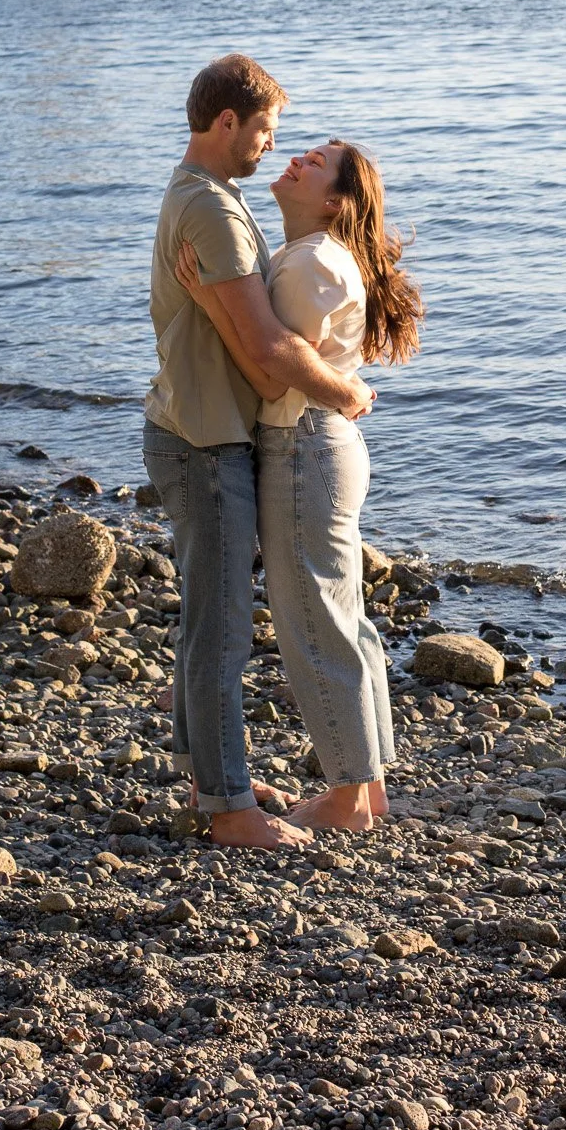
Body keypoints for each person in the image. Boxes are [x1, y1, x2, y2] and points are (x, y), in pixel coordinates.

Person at [142, 56, 375, 851]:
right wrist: (344, 393)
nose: (273, 146)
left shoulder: (212, 199)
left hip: (198, 430)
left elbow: (261, 340)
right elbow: (268, 349)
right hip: (203, 441)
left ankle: (214, 773)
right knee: (222, 629)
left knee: (212, 622)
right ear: (226, 124)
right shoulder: (211, 208)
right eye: (266, 129)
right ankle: (229, 809)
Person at [176, 138, 422, 831]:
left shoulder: (312, 261)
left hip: (302, 446)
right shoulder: (310, 256)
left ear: (336, 201)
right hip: (320, 445)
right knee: (343, 619)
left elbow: (268, 371)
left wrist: (207, 298)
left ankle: (347, 799)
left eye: (313, 164)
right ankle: (364, 788)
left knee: (314, 624)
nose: (294, 160)